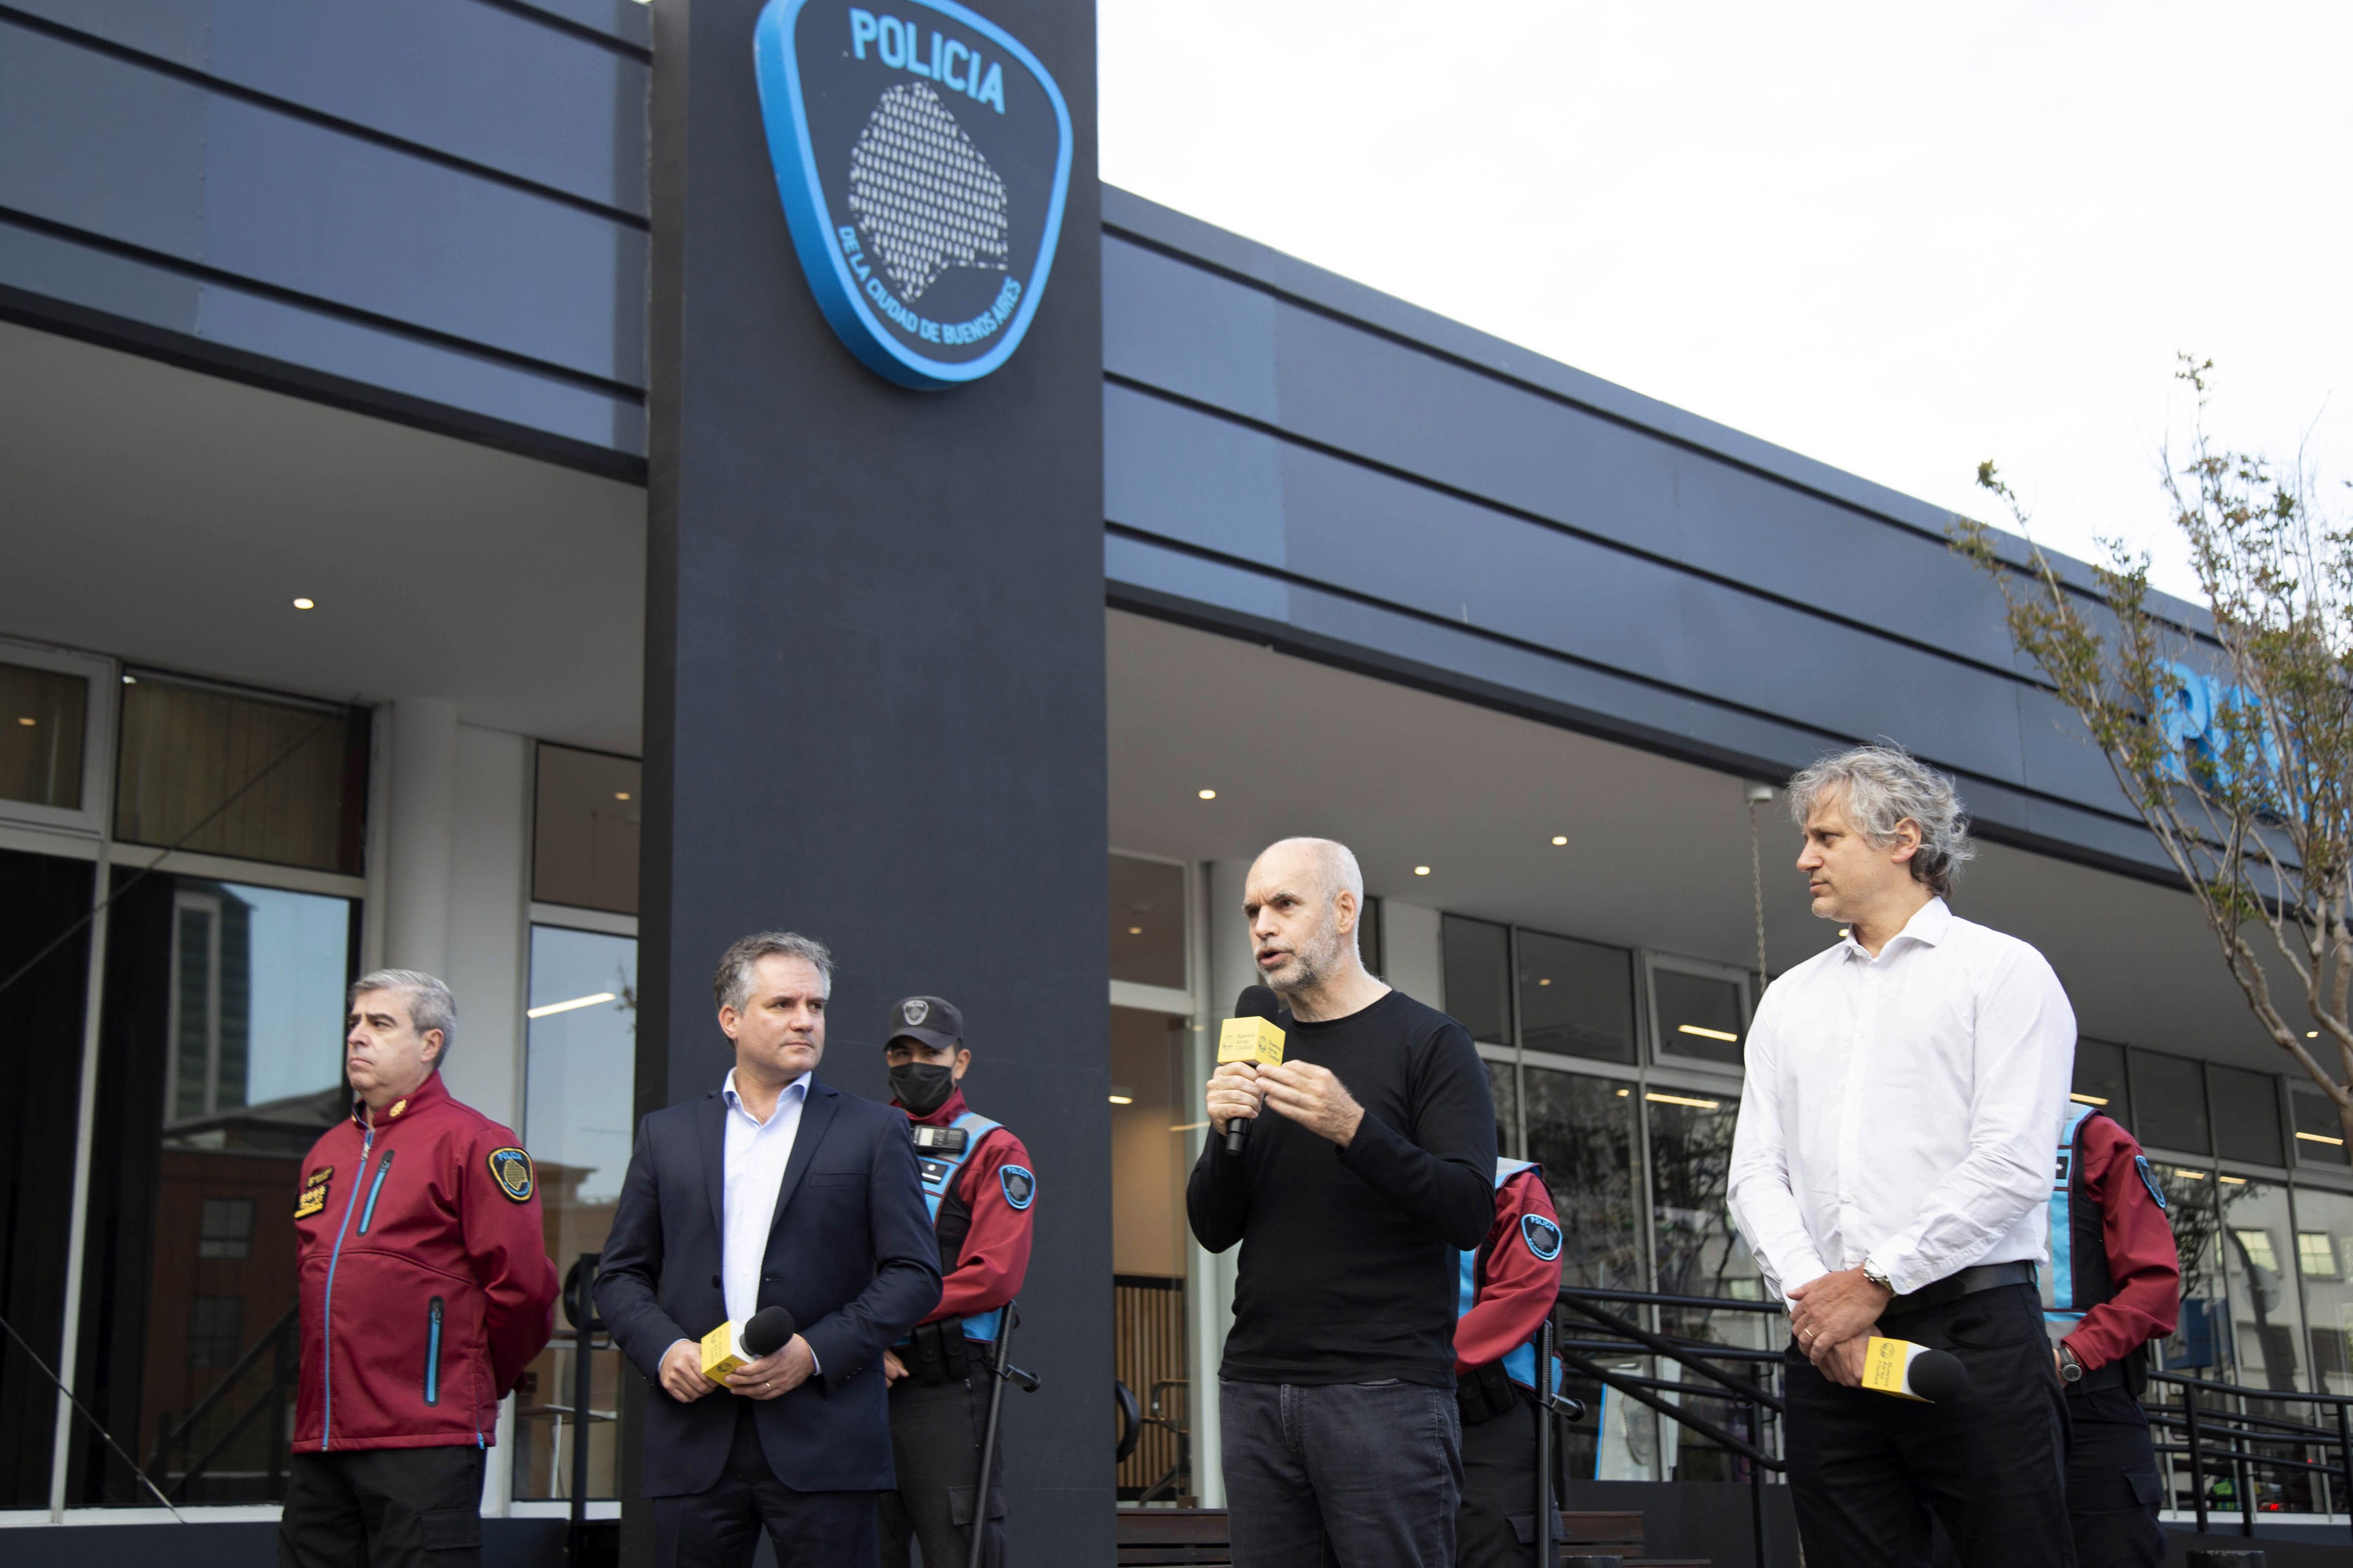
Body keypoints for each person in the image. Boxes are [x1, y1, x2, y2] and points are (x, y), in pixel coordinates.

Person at [1726, 746, 2077, 1568]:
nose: (1803, 857)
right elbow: (1752, 1174)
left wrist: (1871, 1283)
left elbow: (2011, 1163)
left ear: (1901, 839)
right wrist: (1820, 1305)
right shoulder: (1790, 998)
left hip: (1971, 1334)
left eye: (1824, 836)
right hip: (1829, 1353)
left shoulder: (2002, 972)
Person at [1188, 837, 1497, 1568]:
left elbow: (1467, 1210)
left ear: (1343, 910)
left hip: (1382, 1393)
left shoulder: (1430, 1041)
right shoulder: (1257, 1042)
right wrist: (1223, 1127)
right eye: (1252, 909)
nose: (1262, 925)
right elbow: (1211, 1228)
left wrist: (1353, 1128)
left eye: (1284, 904)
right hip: (1257, 1387)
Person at [594, 933, 941, 1568]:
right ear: (731, 1018)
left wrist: (812, 1352)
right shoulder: (665, 1135)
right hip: (693, 1439)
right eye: (782, 1003)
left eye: (816, 1005)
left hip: (826, 1441)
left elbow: (915, 1275)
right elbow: (619, 1277)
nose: (805, 1019)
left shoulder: (873, 1129)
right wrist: (665, 1348)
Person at [280, 970, 559, 1568]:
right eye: (355, 1022)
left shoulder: (477, 1142)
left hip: (426, 1440)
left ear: (430, 1044)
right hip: (322, 1441)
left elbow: (526, 1290)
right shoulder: (324, 1153)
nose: (358, 1036)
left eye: (380, 1023)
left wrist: (473, 1379)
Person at [875, 995, 1037, 1568]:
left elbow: (993, 1276)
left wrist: (876, 1321)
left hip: (944, 1386)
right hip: (858, 1382)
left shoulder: (995, 1148)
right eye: (902, 1052)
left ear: (960, 1061)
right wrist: (857, 1344)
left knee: (959, 1550)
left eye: (931, 1052)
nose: (915, 1064)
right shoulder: (857, 1137)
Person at [2047, 1101, 2180, 1568]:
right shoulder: (1939, 1139)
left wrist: (2070, 1358)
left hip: (2088, 1405)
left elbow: (2154, 1288)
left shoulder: (2095, 1139)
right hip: (1975, 1406)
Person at [1454, 1159, 1568, 1568]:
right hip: (1384, 1403)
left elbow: (1524, 1295)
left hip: (1487, 1411)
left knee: (1496, 1548)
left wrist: (1424, 1362)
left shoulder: (1511, 1183)